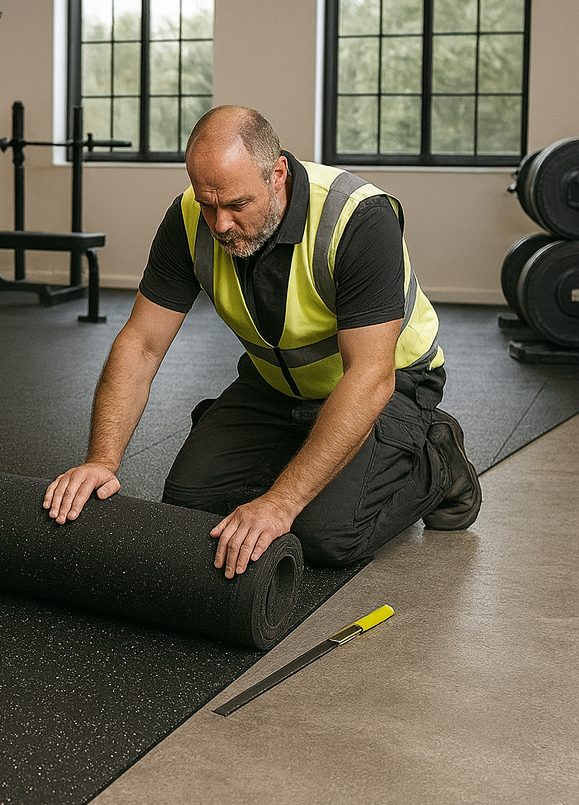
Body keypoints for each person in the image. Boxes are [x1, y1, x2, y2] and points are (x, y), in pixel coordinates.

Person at [43, 105, 481, 578]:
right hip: (276, 384)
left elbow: (370, 375)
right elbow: (141, 345)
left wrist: (281, 502)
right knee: (189, 504)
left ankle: (437, 461)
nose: (220, 224)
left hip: (389, 382)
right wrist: (101, 461)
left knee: (323, 534)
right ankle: (310, 454)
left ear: (277, 174)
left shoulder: (358, 218)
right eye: (208, 204)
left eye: (237, 205)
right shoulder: (189, 219)